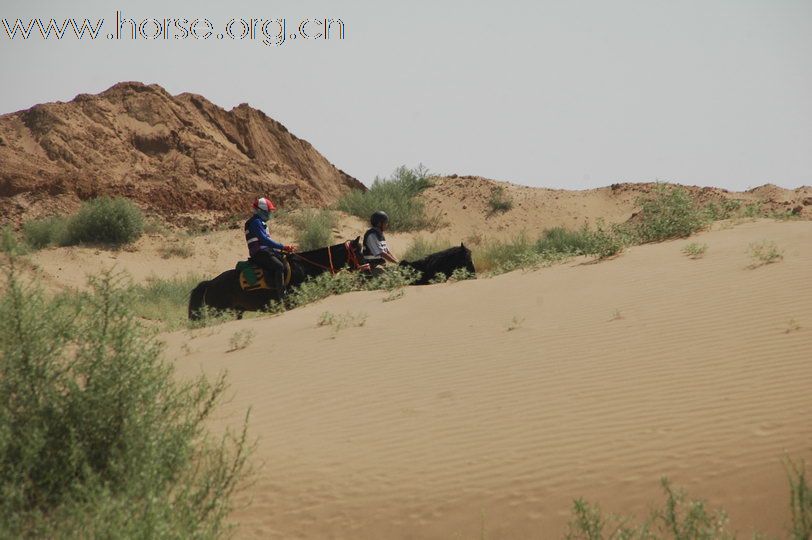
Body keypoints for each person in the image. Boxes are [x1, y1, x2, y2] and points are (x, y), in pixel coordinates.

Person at [244, 197, 295, 296]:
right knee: (279, 266)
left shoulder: (259, 222)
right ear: (260, 211)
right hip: (259, 254)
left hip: (265, 251)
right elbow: (264, 240)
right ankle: (281, 295)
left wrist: (281, 249)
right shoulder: (256, 222)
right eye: (268, 211)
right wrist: (282, 247)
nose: (269, 214)